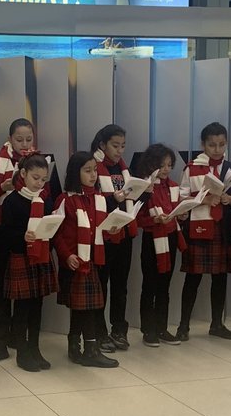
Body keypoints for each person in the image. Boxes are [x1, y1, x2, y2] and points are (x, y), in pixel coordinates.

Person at [0, 118, 40, 364]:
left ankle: (20, 339)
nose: (24, 144)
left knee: (28, 291)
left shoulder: (38, 161)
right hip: (4, 232)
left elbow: (48, 191)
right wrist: (2, 188)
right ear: (10, 138)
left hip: (33, 231)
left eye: (28, 139)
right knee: (2, 290)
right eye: (19, 139)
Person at [177, 122, 231, 340]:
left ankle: (217, 324)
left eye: (221, 144)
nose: (217, 149)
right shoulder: (191, 167)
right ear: (203, 144)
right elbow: (181, 198)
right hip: (198, 225)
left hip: (222, 227)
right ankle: (183, 326)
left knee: (220, 278)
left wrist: (228, 198)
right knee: (193, 278)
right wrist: (203, 199)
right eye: (212, 145)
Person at [53, 151, 118, 368]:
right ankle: (89, 349)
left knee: (86, 307)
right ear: (75, 172)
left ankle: (77, 347)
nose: (93, 175)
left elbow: (102, 230)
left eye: (95, 171)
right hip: (76, 261)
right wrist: (67, 255)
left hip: (94, 260)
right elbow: (56, 233)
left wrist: (113, 229)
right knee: (84, 307)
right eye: (87, 170)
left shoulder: (100, 199)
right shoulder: (66, 200)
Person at [0, 154, 57, 372]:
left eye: (43, 179)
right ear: (23, 174)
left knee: (37, 306)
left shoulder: (45, 199)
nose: (39, 183)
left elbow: (50, 225)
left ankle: (35, 348)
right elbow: (6, 233)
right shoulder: (13, 200)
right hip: (21, 257)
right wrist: (24, 236)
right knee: (22, 308)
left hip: (41, 257)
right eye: (35, 178)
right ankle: (22, 352)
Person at [91, 124, 138, 351]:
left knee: (121, 285)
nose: (119, 151)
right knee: (101, 285)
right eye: (115, 145)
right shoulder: (94, 167)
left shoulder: (123, 168)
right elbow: (92, 201)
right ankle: (99, 332)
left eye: (123, 146)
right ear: (102, 144)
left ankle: (119, 329)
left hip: (125, 233)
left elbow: (128, 197)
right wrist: (115, 200)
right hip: (104, 234)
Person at [135, 142, 186, 347]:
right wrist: (154, 221)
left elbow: (176, 210)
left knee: (165, 286)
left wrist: (181, 214)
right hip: (152, 239)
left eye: (169, 165)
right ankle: (148, 330)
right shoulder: (145, 187)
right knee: (150, 285)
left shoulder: (173, 186)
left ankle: (162, 328)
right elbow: (137, 218)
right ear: (151, 165)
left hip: (171, 237)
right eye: (162, 165)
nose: (166, 169)